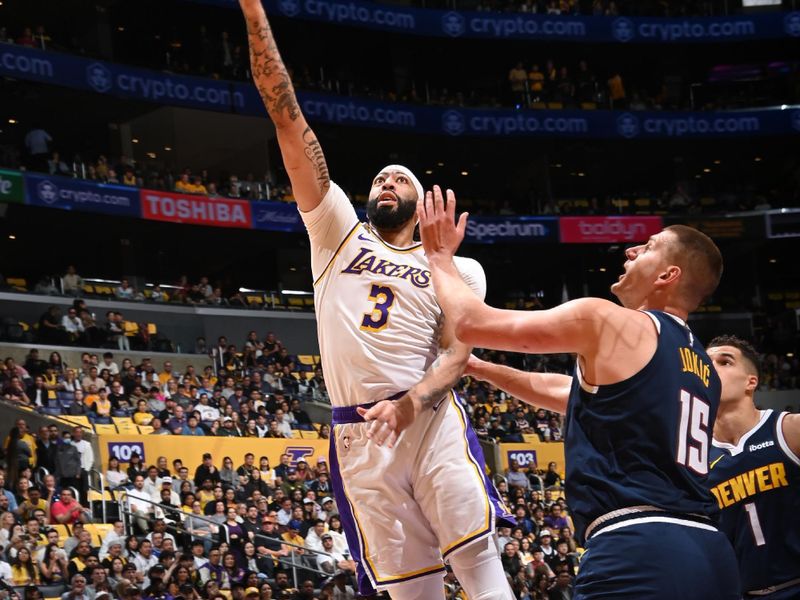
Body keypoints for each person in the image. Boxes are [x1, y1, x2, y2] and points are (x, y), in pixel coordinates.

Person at [239, 1, 513, 597]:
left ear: (420, 203)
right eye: (378, 179)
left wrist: (413, 402)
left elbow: (457, 356)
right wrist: (255, 12)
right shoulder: (337, 231)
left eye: (399, 180)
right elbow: (289, 121)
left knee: (477, 563)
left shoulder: (457, 266)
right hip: (358, 434)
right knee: (411, 591)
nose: (384, 183)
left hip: (429, 418)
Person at [419, 192, 739, 600]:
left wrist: (441, 258)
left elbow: (469, 321)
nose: (632, 249)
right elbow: (571, 393)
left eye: (649, 247)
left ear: (666, 276)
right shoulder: (702, 368)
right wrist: (483, 369)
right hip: (711, 553)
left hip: (638, 548)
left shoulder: (608, 319)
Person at [706, 336, 800, 599]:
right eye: (705, 362)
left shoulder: (789, 430)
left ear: (751, 382)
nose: (711, 368)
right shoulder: (695, 461)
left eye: (724, 361)